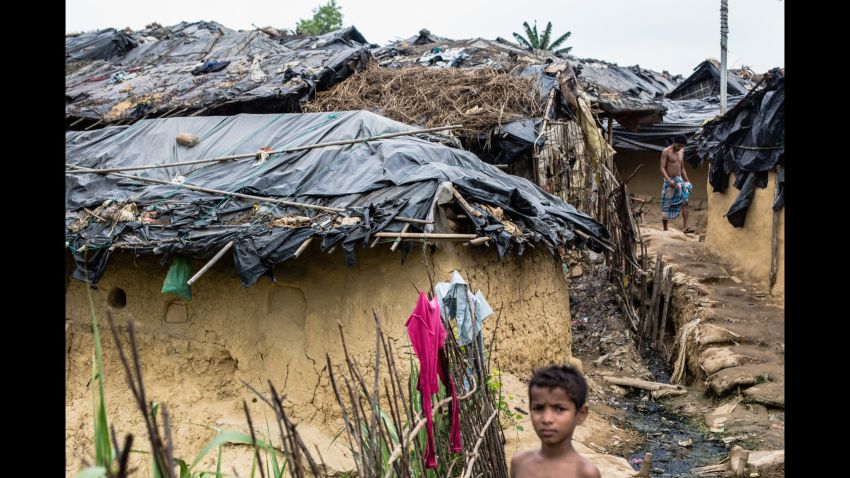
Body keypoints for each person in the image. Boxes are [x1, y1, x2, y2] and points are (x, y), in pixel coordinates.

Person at [510, 365, 601, 478]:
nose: (547, 419)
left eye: (560, 409)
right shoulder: (519, 463)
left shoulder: (585, 473)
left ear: (580, 414)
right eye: (538, 408)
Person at [660, 134, 694, 233]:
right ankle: (665, 228)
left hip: (680, 181)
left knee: (685, 201)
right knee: (666, 204)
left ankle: (686, 227)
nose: (680, 148)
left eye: (682, 146)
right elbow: (662, 167)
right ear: (674, 143)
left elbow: (682, 167)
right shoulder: (666, 151)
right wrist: (669, 180)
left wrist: (687, 181)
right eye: (679, 145)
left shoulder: (681, 151)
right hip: (669, 181)